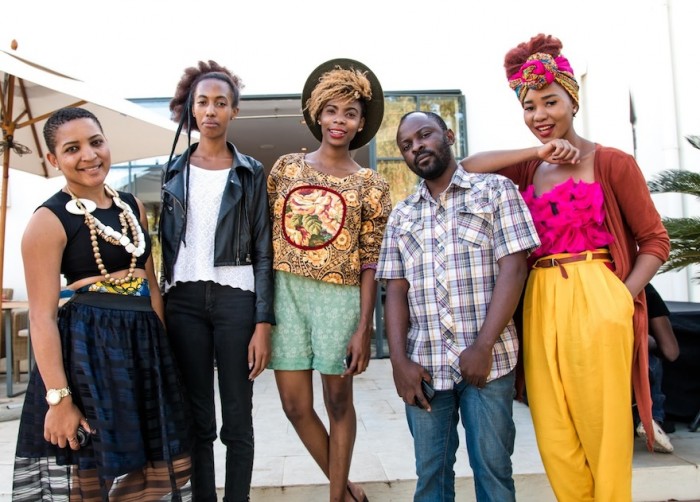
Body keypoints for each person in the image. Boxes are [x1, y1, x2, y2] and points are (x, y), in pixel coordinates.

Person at [460, 34, 671, 501]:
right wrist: (534, 152)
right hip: (539, 301)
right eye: (529, 106)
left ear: (573, 101)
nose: (540, 115)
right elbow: (467, 169)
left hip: (598, 293)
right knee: (554, 430)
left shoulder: (612, 162)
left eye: (551, 102)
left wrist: (619, 298)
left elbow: (655, 240)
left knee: (603, 426)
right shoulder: (526, 171)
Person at [13, 107, 191, 501]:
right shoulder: (48, 219)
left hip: (144, 349)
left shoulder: (131, 205)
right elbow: (41, 317)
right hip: (91, 353)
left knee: (168, 468)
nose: (89, 155)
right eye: (72, 148)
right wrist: (59, 400)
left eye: (95, 142)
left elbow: (150, 285)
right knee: (97, 472)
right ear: (53, 159)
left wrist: (162, 355)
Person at [376, 110, 540, 502]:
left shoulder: (495, 191)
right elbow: (395, 290)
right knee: (430, 477)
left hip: (489, 364)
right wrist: (399, 363)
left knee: (493, 473)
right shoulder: (402, 214)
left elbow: (514, 268)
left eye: (424, 135)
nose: (416, 147)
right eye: (406, 145)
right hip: (425, 368)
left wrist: (483, 345)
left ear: (448, 136)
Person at [267, 58, 392, 502]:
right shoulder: (285, 168)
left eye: (350, 113)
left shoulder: (372, 185)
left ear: (360, 124)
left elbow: (371, 261)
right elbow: (265, 239)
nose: (340, 120)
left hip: (340, 300)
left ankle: (337, 496)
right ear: (318, 114)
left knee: (338, 402)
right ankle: (347, 487)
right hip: (286, 296)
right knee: (294, 405)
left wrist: (364, 326)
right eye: (332, 110)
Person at [159, 60, 274, 502]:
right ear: (190, 108)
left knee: (238, 421)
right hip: (183, 301)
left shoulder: (249, 171)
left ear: (234, 111)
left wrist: (262, 323)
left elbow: (263, 251)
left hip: (235, 302)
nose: (211, 110)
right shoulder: (173, 171)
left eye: (221, 103)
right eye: (203, 102)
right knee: (198, 421)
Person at [635, 282, 679, 453]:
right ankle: (652, 422)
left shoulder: (645, 290)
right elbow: (671, 352)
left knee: (647, 356)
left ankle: (651, 423)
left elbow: (671, 351)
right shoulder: (643, 287)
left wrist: (643, 340)